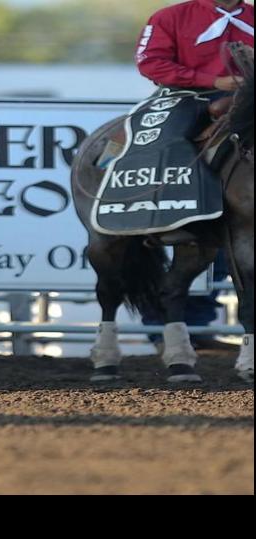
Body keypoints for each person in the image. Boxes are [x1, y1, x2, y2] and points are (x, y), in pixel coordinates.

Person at [133, 0, 253, 348]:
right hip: (190, 97)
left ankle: (198, 324)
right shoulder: (171, 17)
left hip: (250, 102)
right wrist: (211, 79)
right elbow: (151, 62)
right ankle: (152, 209)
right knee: (167, 150)